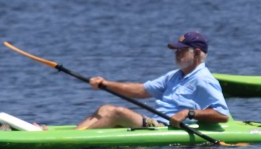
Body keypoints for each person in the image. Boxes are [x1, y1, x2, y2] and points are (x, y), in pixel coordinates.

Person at [76, 31, 231, 130]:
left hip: (167, 128)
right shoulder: (174, 76)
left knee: (116, 112)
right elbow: (141, 90)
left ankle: (72, 139)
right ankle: (76, 134)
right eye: (176, 50)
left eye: (182, 50)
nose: (177, 53)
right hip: (156, 123)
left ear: (197, 53)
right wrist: (106, 83)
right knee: (105, 109)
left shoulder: (203, 79)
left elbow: (222, 115)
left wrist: (188, 113)